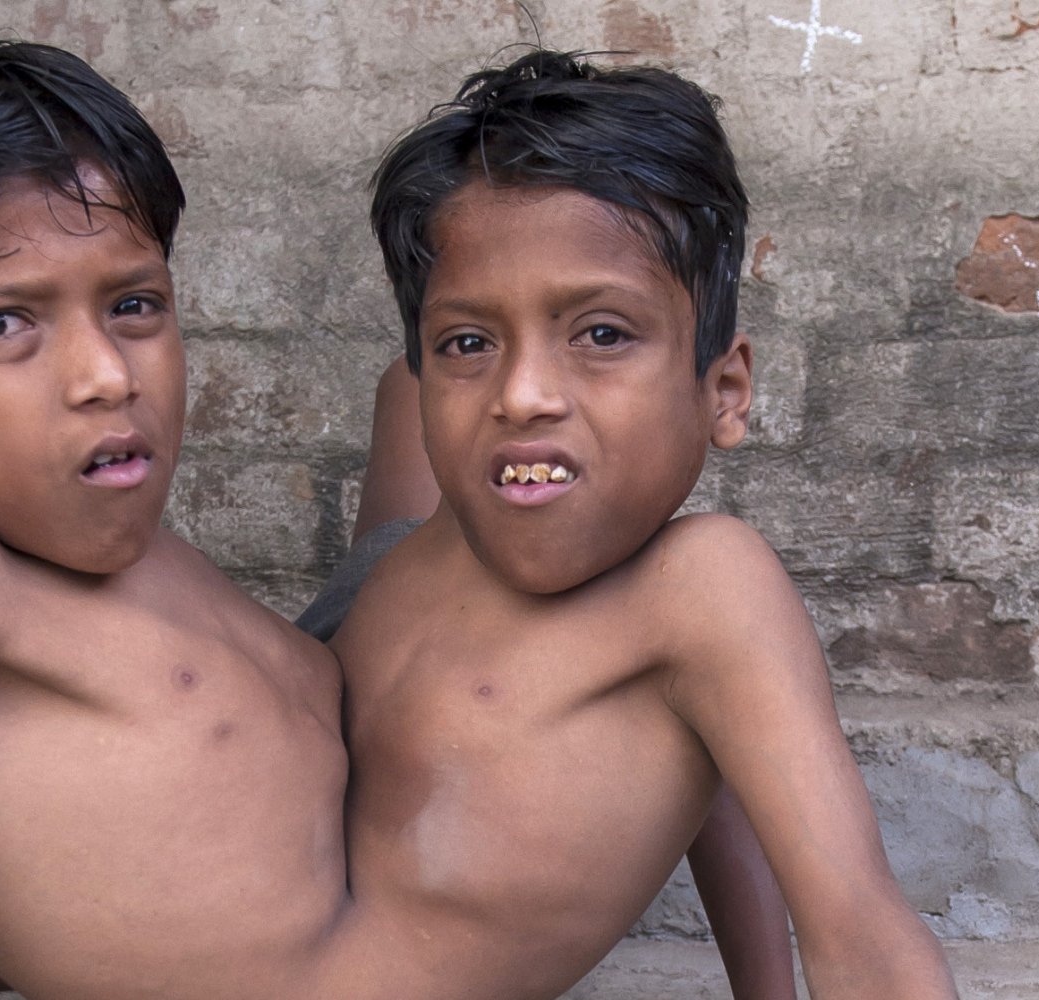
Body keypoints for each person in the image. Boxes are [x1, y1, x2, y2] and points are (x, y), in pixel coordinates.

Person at [0, 29, 793, 1000]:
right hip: (369, 697)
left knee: (445, 419)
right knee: (625, 549)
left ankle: (453, 372)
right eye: (3, 323)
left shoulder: (73, 587)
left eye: (135, 303)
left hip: (369, 627)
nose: (102, 373)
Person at [299, 50, 958, 1000]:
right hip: (378, 590)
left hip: (406, 612)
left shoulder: (705, 591)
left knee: (702, 635)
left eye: (603, 332)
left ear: (725, 391)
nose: (526, 392)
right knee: (415, 411)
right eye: (470, 340)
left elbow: (860, 926)